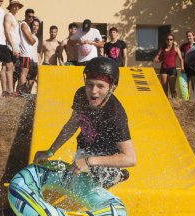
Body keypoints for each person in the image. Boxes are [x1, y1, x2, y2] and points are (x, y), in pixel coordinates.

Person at [34, 57, 136, 188]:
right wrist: (50, 151)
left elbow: (130, 159)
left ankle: (120, 175)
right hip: (85, 147)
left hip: (107, 158)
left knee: (98, 177)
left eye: (100, 86)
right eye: (90, 84)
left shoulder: (115, 115)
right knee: (73, 179)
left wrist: (89, 161)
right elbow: (71, 125)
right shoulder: (81, 95)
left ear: (113, 87)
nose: (93, 91)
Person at [153, 34, 184, 98]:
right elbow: (158, 58)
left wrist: (182, 68)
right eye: (167, 39)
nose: (169, 41)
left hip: (172, 69)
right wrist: (156, 59)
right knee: (164, 89)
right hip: (163, 69)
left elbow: (181, 59)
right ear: (166, 40)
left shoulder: (176, 48)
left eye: (171, 39)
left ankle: (174, 103)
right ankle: (166, 104)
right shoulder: (162, 48)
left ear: (173, 40)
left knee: (172, 89)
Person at [4, 0, 24, 96]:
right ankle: (9, 90)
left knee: (11, 68)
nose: (16, 8)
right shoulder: (8, 16)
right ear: (10, 6)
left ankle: (10, 90)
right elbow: (7, 32)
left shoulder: (13, 17)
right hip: (10, 46)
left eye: (18, 6)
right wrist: (13, 46)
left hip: (15, 46)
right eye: (14, 6)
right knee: (8, 67)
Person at [17, 8, 37, 95]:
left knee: (25, 73)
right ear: (25, 16)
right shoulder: (24, 24)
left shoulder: (27, 26)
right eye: (29, 16)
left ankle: (22, 91)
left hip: (27, 54)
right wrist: (33, 39)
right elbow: (31, 41)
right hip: (25, 53)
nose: (31, 18)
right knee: (23, 73)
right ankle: (22, 92)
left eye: (32, 17)